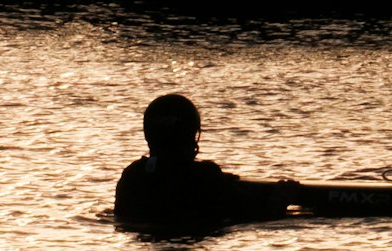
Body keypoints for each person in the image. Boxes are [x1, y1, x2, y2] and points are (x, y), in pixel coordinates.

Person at [111, 92, 285, 233]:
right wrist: (283, 196)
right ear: (192, 134)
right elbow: (259, 213)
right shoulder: (205, 176)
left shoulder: (132, 175)